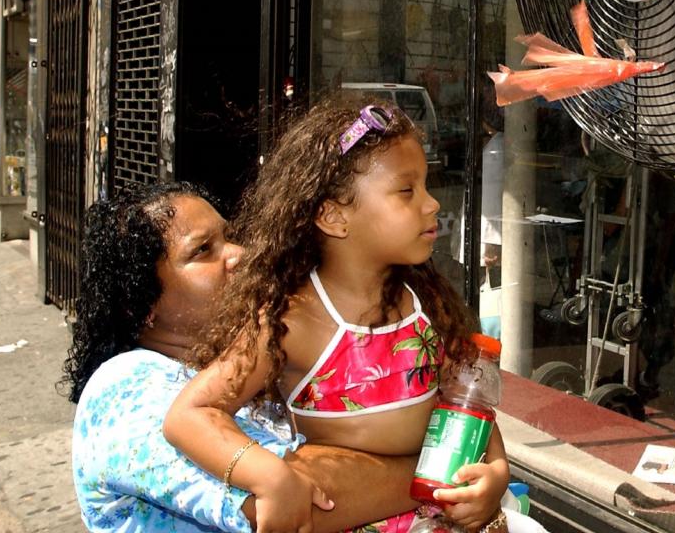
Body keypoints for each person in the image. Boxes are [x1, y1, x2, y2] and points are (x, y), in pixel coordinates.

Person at [165, 98, 512, 533]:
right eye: (407, 191)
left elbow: (467, 404)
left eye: (426, 186)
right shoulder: (289, 320)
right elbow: (190, 414)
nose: (431, 205)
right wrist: (265, 474)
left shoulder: (425, 303)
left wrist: (496, 474)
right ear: (333, 215)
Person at [64, 182, 424, 533]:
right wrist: (442, 465)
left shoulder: (246, 361)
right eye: (203, 250)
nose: (239, 254)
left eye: (229, 236)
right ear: (141, 303)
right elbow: (299, 499)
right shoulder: (125, 392)